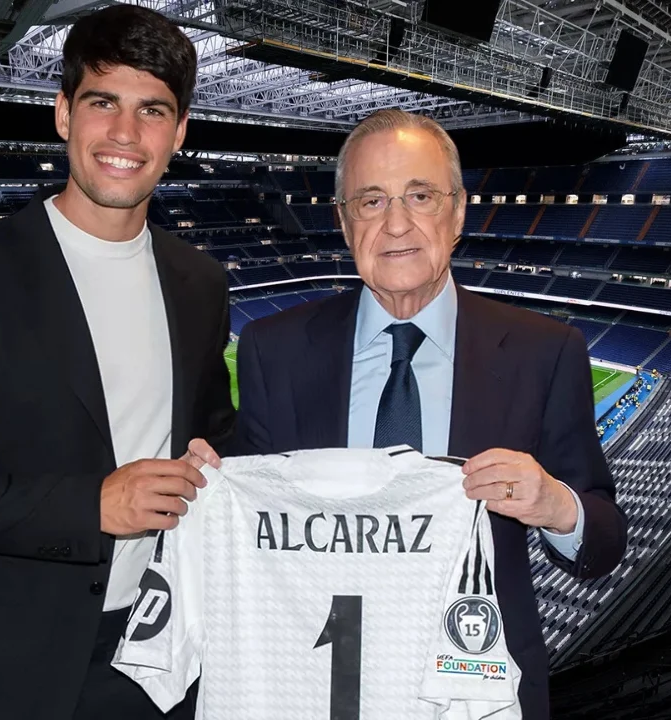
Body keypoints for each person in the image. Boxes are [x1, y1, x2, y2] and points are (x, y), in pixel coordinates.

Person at [0, 6, 232, 719]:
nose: (126, 135)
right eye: (103, 103)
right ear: (63, 114)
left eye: (152, 111)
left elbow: (213, 428)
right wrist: (90, 507)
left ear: (179, 133)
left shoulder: (200, 282)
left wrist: (217, 461)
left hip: (153, 661)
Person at [225, 109, 628, 719]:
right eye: (370, 201)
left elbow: (605, 540)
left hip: (474, 691)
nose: (396, 224)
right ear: (342, 219)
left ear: (458, 211)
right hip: (314, 686)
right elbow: (247, 536)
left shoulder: (545, 352)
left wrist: (554, 504)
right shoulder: (272, 351)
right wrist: (206, 491)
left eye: (420, 196)